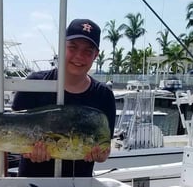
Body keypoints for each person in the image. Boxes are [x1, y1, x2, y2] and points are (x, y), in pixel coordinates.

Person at [12, 18, 116, 177]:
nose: (79, 56)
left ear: (96, 55)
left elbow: (105, 150)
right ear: (61, 47)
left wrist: (101, 155)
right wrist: (27, 151)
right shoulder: (34, 84)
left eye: (87, 51)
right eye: (72, 48)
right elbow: (12, 133)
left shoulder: (103, 96)